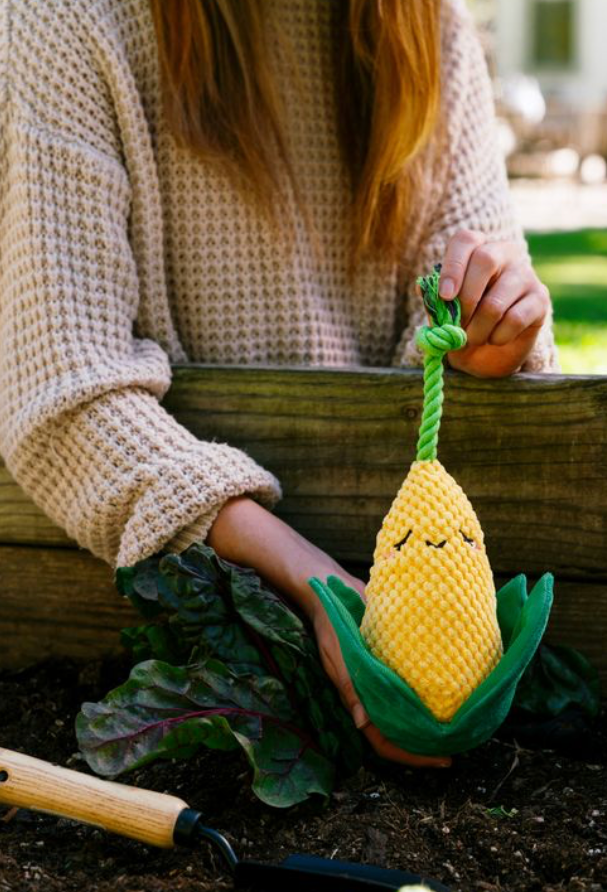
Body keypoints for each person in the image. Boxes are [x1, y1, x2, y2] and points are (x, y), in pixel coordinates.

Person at [0, 0, 558, 768]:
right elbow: (68, 390)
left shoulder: (433, 28)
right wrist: (314, 584)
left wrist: (496, 331)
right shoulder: (63, 18)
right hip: (149, 628)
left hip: (390, 578)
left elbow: (466, 298)